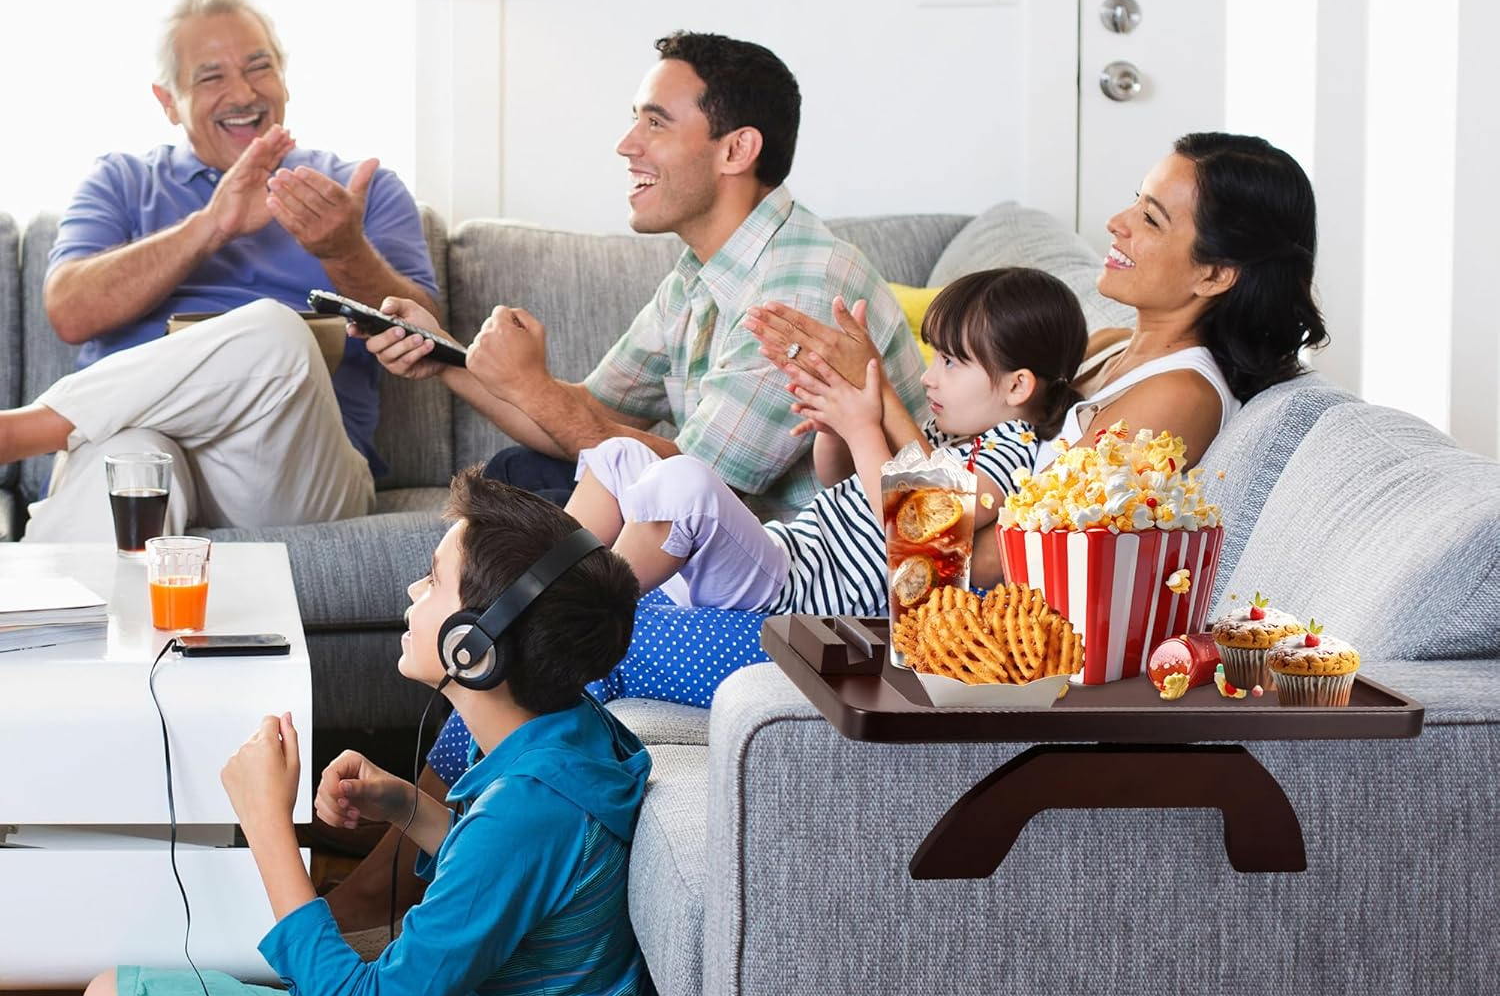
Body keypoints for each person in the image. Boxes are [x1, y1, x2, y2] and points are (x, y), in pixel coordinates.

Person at [0, 473, 653, 996]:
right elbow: (519, 874)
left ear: (472, 648)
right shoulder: (566, 732)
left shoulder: (532, 811)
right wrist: (404, 803)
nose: (411, 593)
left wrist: (268, 824)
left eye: (432, 582)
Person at [363, 30, 926, 519]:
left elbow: (699, 487)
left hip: (806, 578)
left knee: (532, 487)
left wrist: (530, 386)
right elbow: (592, 416)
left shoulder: (799, 286)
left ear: (736, 150)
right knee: (525, 472)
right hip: (718, 531)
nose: (626, 145)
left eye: (655, 123)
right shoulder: (697, 277)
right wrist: (442, 356)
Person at [0, 0, 438, 538]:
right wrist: (210, 226)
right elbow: (69, 311)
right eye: (211, 77)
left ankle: (25, 432)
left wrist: (342, 249)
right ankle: (51, 624)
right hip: (135, 441)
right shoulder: (121, 181)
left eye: (260, 68)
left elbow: (425, 336)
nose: (244, 92)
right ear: (167, 101)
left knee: (277, 335)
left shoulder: (355, 190)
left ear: (284, 77)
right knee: (131, 460)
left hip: (293, 472)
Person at [750, 131, 1326, 481]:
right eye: (1135, 201)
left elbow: (1003, 556)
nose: (1116, 224)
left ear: (1215, 273)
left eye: (1150, 219)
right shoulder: (1107, 347)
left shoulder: (1181, 399)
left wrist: (876, 406)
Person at [565, 268, 1088, 621]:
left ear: (1018, 385)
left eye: (951, 363)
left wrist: (865, 425)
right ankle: (549, 593)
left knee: (686, 482)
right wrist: (834, 426)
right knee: (620, 456)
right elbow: (840, 481)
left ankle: (587, 620)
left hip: (800, 599)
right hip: (782, 553)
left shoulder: (1012, 453)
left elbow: (928, 522)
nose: (930, 379)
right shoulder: (942, 435)